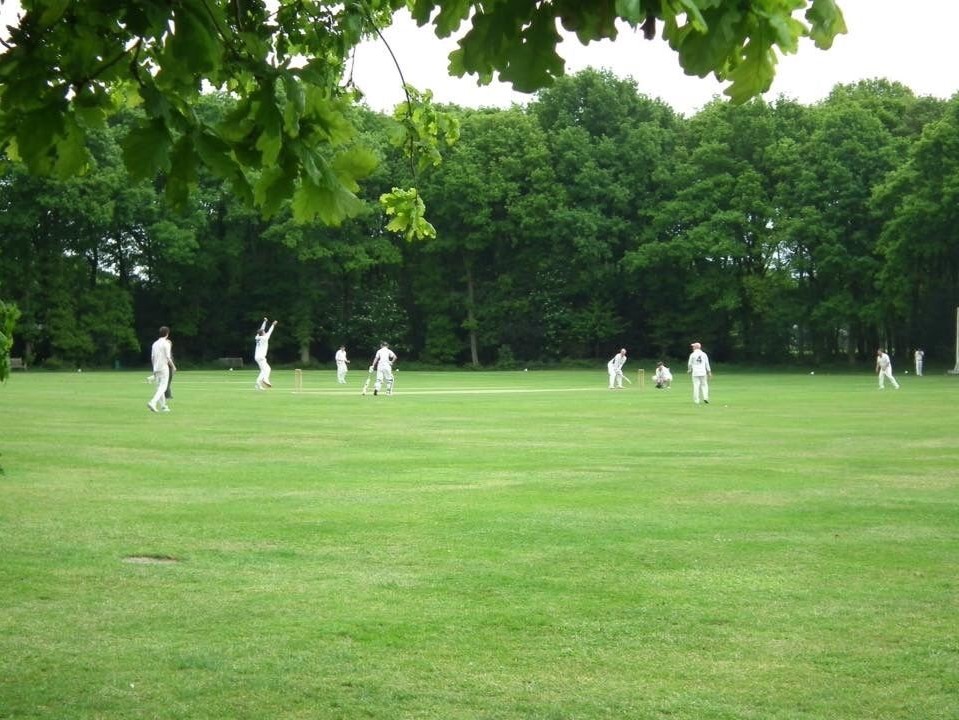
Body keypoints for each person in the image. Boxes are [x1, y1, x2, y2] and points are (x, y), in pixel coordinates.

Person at [147, 326, 175, 412]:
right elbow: (168, 357)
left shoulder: (154, 344)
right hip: (164, 367)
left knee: (159, 387)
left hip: (156, 367)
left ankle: (163, 406)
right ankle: (153, 402)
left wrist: (154, 369)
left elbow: (152, 358)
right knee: (163, 387)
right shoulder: (166, 343)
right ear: (167, 333)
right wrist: (173, 367)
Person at [254, 317, 278, 390]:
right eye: (264, 332)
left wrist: (265, 322)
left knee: (263, 370)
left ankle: (258, 383)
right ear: (263, 333)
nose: (265, 332)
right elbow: (270, 331)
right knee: (268, 369)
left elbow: (261, 329)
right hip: (261, 357)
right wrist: (273, 325)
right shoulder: (265, 338)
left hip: (257, 357)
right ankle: (265, 379)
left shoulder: (257, 337)